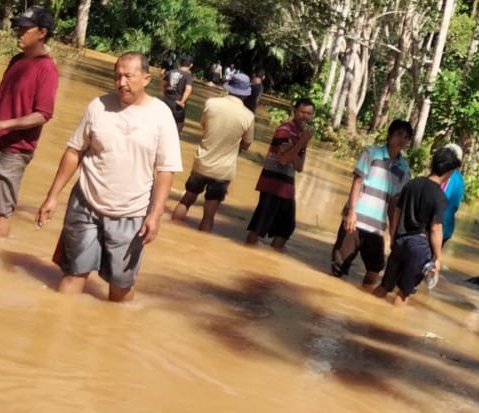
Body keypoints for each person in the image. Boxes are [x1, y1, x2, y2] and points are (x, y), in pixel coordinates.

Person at [36, 53, 182, 302]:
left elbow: (165, 171)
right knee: (73, 276)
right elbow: (74, 151)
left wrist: (155, 216)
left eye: (128, 76)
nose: (121, 82)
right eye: (117, 76)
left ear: (146, 79)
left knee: (120, 288)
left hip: (131, 212)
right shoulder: (98, 106)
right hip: (85, 204)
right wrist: (52, 197)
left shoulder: (161, 116)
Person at [0, 5, 59, 237]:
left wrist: (0, 126)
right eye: (19, 27)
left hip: (13, 150)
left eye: (25, 28)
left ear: (42, 33)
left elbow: (43, 115)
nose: (19, 32)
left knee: (0, 212)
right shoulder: (17, 60)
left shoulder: (47, 69)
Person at [373, 146, 460, 307]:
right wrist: (438, 258)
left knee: (384, 286)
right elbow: (435, 228)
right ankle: (391, 327)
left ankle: (369, 308)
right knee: (403, 294)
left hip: (400, 241)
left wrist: (392, 236)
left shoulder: (412, 184)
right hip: (419, 248)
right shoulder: (440, 197)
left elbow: (397, 211)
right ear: (449, 172)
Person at [329, 120, 413, 287]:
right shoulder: (371, 153)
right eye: (398, 135)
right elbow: (357, 181)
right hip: (355, 220)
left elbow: (394, 203)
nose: (402, 140)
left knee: (374, 270)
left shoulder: (404, 168)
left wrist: (393, 232)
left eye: (406, 137)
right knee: (338, 267)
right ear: (389, 135)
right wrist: (352, 212)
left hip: (376, 227)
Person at [170, 73, 256, 232]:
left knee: (187, 199)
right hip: (223, 170)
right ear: (245, 94)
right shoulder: (248, 116)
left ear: (229, 88)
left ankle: (173, 229)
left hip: (202, 162)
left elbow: (204, 126)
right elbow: (246, 144)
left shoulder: (212, 103)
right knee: (209, 216)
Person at [245, 98, 314, 250]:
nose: (305, 116)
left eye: (309, 114)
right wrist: (300, 144)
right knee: (259, 225)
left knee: (287, 227)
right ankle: (248, 251)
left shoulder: (301, 134)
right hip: (272, 183)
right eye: (302, 112)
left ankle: (270, 257)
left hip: (287, 186)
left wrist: (297, 146)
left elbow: (299, 166)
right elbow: (284, 159)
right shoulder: (285, 129)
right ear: (294, 111)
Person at [439, 143, 466, 248]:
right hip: (445, 227)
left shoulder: (440, 172)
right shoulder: (459, 179)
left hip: (436, 225)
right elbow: (455, 205)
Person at [160, 55, 194, 135]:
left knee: (163, 121)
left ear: (179, 63)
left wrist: (163, 95)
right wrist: (182, 101)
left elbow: (162, 83)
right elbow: (188, 89)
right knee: (179, 124)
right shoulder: (188, 76)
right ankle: (174, 141)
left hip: (166, 101)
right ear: (191, 65)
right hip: (177, 104)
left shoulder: (171, 72)